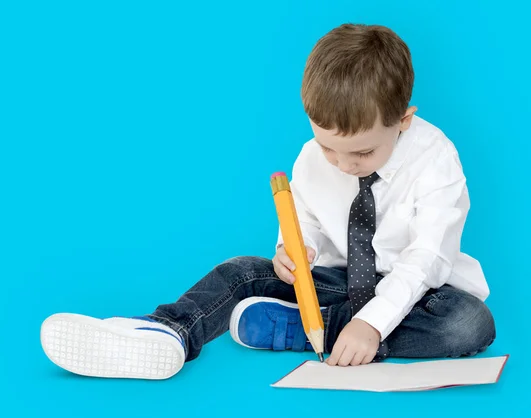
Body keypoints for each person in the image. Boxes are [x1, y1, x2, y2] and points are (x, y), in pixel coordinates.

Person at [40, 23, 496, 380]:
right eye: (328, 147)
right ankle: (170, 332)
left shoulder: (436, 159)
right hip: (335, 283)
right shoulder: (312, 158)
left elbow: (426, 258)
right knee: (241, 270)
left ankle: (310, 328)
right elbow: (305, 218)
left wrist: (372, 325)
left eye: (362, 153)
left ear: (403, 120)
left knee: (469, 324)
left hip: (419, 294)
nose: (342, 164)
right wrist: (293, 251)